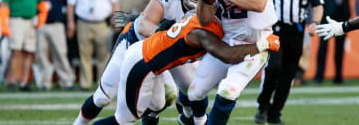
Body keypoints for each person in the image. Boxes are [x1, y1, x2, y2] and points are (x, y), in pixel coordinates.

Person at [73, 0, 207, 125]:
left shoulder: (208, 5)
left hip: (165, 49)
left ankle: (189, 117)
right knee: (103, 97)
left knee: (166, 99)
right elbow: (145, 25)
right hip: (136, 44)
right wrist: (164, 34)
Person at [92, 14, 280, 125]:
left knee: (160, 103)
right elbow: (229, 54)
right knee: (125, 119)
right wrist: (263, 44)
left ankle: (191, 118)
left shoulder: (198, 17)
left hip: (146, 59)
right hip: (142, 63)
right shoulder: (203, 31)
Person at [186, 0, 278, 125]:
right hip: (228, 41)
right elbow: (204, 20)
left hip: (256, 41)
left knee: (228, 89)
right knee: (194, 92)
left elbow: (258, 3)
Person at [255, 0, 324, 124]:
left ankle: (274, 114)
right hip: (275, 29)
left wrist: (315, 22)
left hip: (297, 30)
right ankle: (263, 104)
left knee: (288, 75)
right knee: (273, 67)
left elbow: (317, 4)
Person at [67, 0, 119, 90]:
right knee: (85, 54)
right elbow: (71, 4)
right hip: (83, 22)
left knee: (104, 54)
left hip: (102, 23)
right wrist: (71, 22)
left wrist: (116, 19)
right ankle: (86, 83)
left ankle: (103, 83)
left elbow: (114, 2)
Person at [0, 0, 48, 91]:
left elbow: (40, 3)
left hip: (31, 21)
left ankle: (24, 82)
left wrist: (42, 17)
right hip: (17, 20)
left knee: (29, 52)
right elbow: (4, 4)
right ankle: (10, 80)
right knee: (15, 51)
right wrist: (4, 24)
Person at [314, 0, 354, 84]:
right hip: (328, 12)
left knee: (339, 47)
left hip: (342, 12)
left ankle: (338, 76)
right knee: (323, 46)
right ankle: (319, 76)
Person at [36, 0, 74, 90]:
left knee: (60, 53)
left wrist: (69, 23)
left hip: (57, 24)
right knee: (41, 54)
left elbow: (68, 6)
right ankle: (44, 82)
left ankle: (66, 81)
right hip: (40, 24)